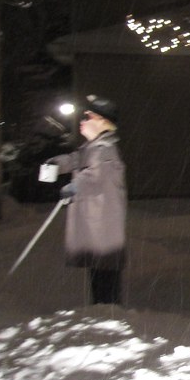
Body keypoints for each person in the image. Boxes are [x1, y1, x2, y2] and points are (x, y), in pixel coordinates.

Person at [48, 95, 127, 305]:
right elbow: (76, 160)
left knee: (105, 273)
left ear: (102, 122)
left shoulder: (105, 150)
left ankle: (108, 311)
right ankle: (101, 309)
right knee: (98, 271)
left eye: (88, 117)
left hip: (104, 225)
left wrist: (75, 186)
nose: (82, 121)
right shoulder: (91, 147)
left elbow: (97, 175)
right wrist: (56, 164)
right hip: (97, 225)